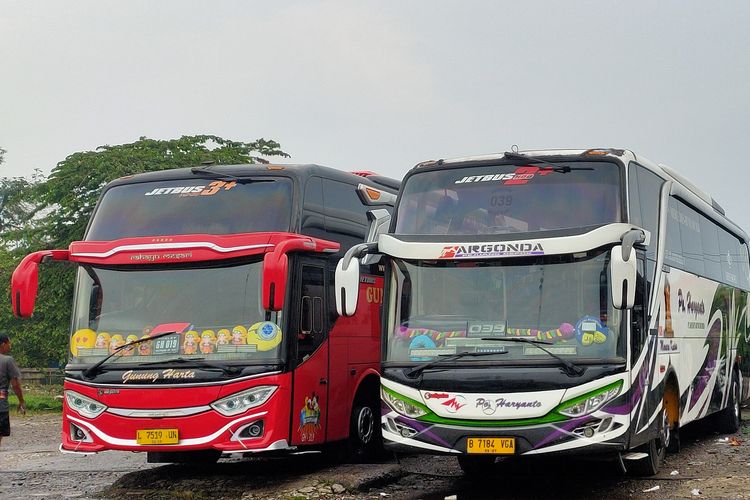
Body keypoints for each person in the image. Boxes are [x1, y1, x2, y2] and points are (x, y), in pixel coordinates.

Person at [0, 333, 26, 446]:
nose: (10, 346)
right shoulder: (7, 360)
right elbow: (15, 384)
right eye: (9, 343)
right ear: (3, 344)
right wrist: (21, 400)